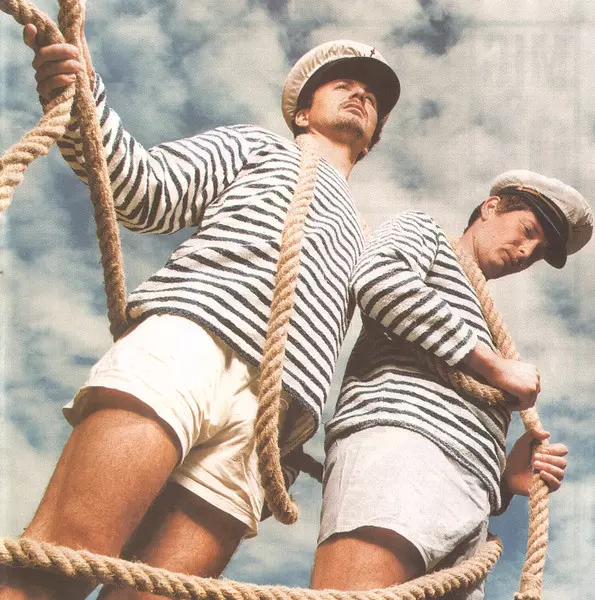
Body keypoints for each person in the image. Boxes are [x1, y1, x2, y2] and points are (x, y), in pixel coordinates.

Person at [0, 29, 400, 600]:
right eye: (343, 85)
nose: (360, 94)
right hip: (189, 343)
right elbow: (146, 191)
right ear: (302, 113)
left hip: (271, 421)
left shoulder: (364, 238)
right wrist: (84, 94)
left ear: (373, 140)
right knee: (66, 558)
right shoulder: (255, 147)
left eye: (372, 96)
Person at [310, 170, 592, 598]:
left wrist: (504, 481)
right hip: (401, 448)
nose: (526, 252)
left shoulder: (489, 326)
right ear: (491, 208)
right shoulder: (426, 230)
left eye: (537, 253)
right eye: (528, 231)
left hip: (473, 503)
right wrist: (491, 366)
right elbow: (379, 278)